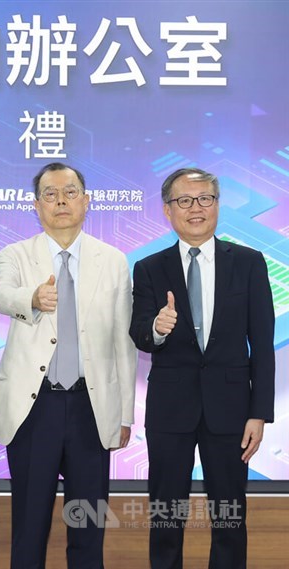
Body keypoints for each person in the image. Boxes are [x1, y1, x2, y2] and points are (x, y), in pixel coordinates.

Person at [0, 162, 137, 568]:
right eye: (50, 194)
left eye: (70, 192)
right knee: (30, 523)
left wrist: (123, 413)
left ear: (86, 201)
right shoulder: (15, 254)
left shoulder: (113, 260)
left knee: (88, 520)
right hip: (35, 408)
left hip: (91, 406)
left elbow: (124, 340)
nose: (61, 201)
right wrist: (30, 299)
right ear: (36, 205)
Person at [129, 167, 274, 569]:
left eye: (205, 199)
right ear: (167, 210)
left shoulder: (247, 262)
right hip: (170, 410)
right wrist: (156, 329)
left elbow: (263, 343)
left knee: (229, 514)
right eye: (185, 200)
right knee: (166, 513)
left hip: (230, 410)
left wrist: (259, 412)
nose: (196, 209)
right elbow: (138, 333)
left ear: (217, 205)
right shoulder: (149, 267)